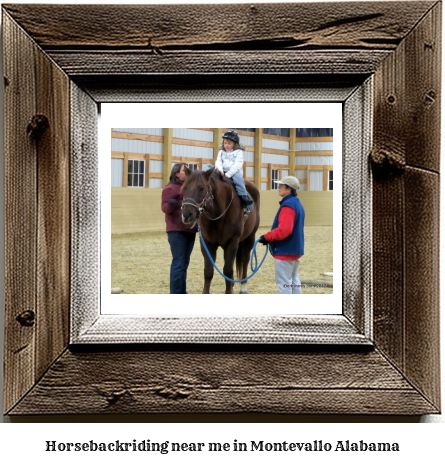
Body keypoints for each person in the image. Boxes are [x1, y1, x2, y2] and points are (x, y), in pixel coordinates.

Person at [258, 176, 305, 294]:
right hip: (294, 250)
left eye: (281, 185)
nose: (278, 187)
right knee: (294, 281)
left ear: (288, 189)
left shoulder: (288, 205)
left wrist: (267, 237)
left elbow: (284, 230)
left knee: (284, 284)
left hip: (285, 251)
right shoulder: (297, 203)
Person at [161, 163, 197, 294]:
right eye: (184, 170)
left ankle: (182, 292)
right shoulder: (170, 188)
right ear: (177, 174)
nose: (188, 171)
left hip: (190, 230)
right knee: (178, 262)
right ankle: (175, 293)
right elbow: (164, 208)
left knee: (184, 263)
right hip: (176, 230)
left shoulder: (190, 188)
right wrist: (171, 204)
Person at [215, 130, 253, 210]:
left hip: (234, 172)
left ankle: (243, 197)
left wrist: (228, 174)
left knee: (238, 179)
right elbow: (218, 161)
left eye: (229, 143)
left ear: (234, 144)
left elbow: (237, 165)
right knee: (208, 167)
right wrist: (220, 171)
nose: (226, 145)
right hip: (222, 171)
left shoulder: (239, 152)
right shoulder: (221, 151)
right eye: (225, 143)